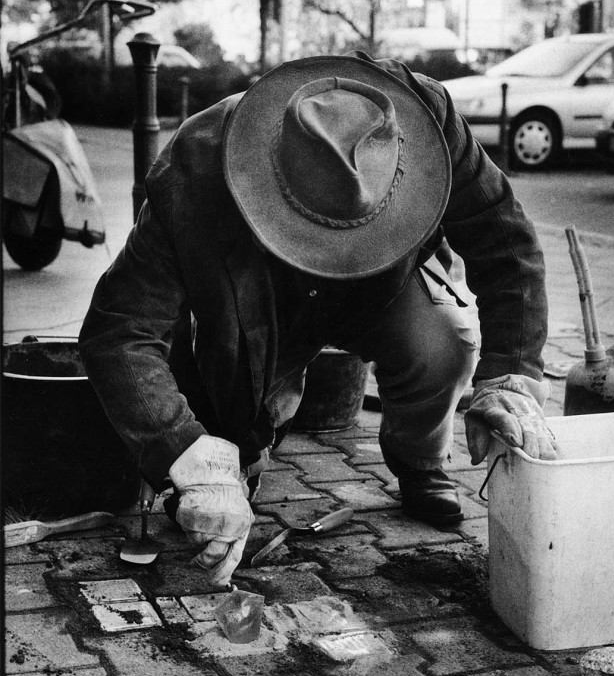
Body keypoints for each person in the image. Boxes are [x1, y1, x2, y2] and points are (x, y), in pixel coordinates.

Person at [79, 52, 557, 589]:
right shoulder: (194, 170)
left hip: (386, 288)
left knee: (445, 345)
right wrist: (184, 450)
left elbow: (506, 242)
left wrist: (511, 374)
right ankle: (246, 452)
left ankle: (419, 462)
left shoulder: (430, 116)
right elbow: (120, 331)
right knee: (236, 436)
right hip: (264, 303)